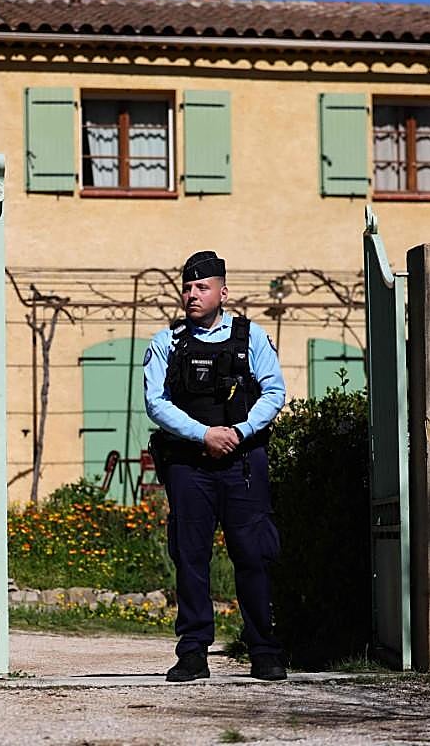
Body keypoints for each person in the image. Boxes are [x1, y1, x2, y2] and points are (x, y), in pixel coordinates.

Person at [144, 251, 288, 682]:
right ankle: (192, 653)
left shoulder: (252, 337)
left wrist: (238, 432)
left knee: (254, 555)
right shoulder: (166, 343)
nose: (192, 294)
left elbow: (274, 392)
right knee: (190, 557)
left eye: (201, 287)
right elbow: (156, 403)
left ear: (222, 292)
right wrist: (204, 434)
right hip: (189, 465)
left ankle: (263, 650)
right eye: (187, 287)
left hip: (242, 463)